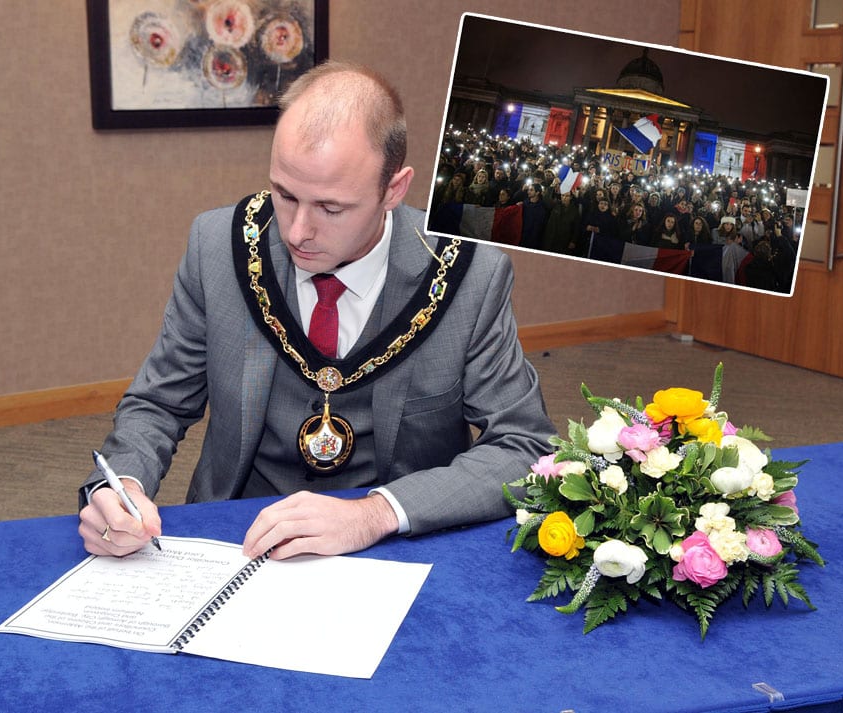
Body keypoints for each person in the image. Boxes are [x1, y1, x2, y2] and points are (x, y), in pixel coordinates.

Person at [78, 61, 555, 562]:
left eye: (330, 208)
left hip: (395, 546)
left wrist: (376, 513)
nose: (296, 232)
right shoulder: (219, 246)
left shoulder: (469, 274)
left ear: (394, 189)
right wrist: (119, 484)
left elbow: (524, 447)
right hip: (238, 539)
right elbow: (160, 403)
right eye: (284, 195)